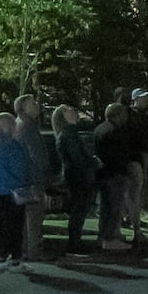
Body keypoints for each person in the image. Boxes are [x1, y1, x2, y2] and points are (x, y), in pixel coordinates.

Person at [0, 113, 32, 270]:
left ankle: (5, 257)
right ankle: (13, 258)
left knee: (7, 224)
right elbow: (20, 167)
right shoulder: (10, 144)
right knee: (15, 225)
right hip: (14, 189)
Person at [55, 105, 98, 257]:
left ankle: (75, 243)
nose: (73, 110)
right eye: (68, 110)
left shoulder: (69, 133)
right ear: (63, 117)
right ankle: (74, 245)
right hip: (77, 177)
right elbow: (77, 158)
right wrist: (93, 162)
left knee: (79, 211)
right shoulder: (69, 134)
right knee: (78, 211)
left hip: (75, 176)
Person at [12, 94, 52, 261]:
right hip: (33, 178)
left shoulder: (19, 125)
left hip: (23, 178)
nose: (36, 105)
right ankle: (34, 251)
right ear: (23, 108)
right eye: (32, 103)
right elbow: (36, 154)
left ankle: (27, 250)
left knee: (27, 218)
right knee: (34, 217)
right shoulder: (28, 126)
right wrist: (44, 171)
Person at [93, 103, 133, 252]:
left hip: (103, 174)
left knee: (105, 208)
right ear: (118, 115)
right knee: (114, 208)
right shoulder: (115, 131)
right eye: (124, 114)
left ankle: (102, 237)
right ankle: (109, 238)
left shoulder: (99, 129)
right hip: (115, 174)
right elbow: (119, 155)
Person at [125, 89, 148, 239]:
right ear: (135, 99)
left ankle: (139, 211)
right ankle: (132, 215)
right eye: (143, 98)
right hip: (139, 153)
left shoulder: (146, 115)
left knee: (146, 182)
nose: (146, 101)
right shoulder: (130, 115)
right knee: (137, 184)